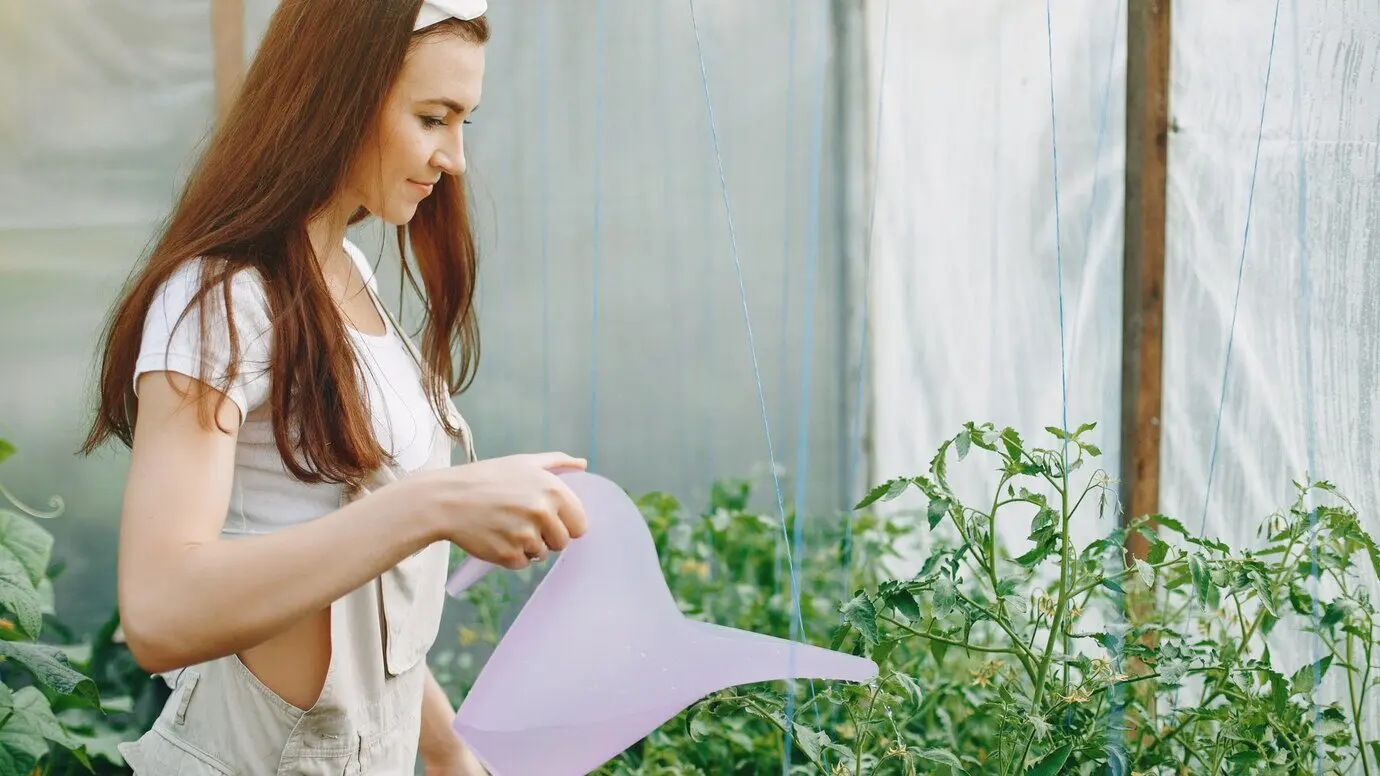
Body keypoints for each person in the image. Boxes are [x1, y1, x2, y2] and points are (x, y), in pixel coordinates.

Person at [79, 0, 589, 773]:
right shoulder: (221, 300)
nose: (454, 158)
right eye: (431, 118)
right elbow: (158, 610)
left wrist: (448, 753)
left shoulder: (349, 273)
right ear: (338, 94)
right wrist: (436, 506)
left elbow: (361, 596)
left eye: (464, 124)